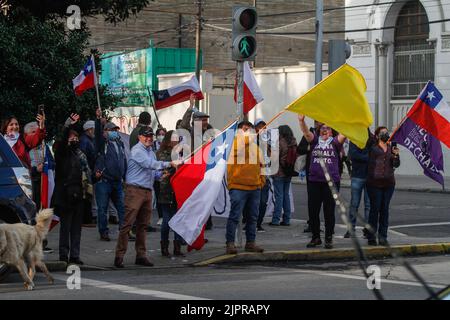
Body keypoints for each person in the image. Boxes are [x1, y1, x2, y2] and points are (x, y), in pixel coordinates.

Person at [114, 127, 179, 268]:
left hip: (146, 191)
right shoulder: (137, 150)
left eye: (150, 136)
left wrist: (161, 175)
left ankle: (141, 255)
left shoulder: (151, 152)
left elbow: (152, 172)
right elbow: (149, 165)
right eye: (146, 136)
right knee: (127, 224)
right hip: (134, 190)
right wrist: (169, 163)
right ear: (140, 137)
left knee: (143, 226)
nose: (149, 138)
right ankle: (119, 256)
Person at [298, 114, 345, 249]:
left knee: (329, 211)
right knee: (313, 211)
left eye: (328, 128)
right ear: (318, 131)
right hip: (314, 181)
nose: (325, 130)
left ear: (332, 132)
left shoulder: (335, 142)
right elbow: (306, 132)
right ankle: (316, 237)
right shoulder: (314, 141)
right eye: (322, 128)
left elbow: (345, 133)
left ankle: (328, 238)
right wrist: (301, 120)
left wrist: (348, 119)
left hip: (331, 183)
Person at [53, 114, 91, 265]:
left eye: (76, 137)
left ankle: (75, 255)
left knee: (76, 228)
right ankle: (64, 255)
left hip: (79, 194)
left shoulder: (80, 154)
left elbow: (87, 171)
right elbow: (63, 141)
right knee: (66, 227)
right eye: (71, 137)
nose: (74, 140)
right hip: (65, 195)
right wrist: (68, 125)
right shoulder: (62, 153)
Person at [225, 120, 265, 255]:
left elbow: (262, 166)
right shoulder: (233, 144)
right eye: (245, 129)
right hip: (238, 186)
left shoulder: (256, 147)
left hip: (254, 187)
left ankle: (250, 242)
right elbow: (239, 148)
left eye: (249, 129)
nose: (248, 132)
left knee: (253, 217)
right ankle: (230, 243)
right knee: (235, 216)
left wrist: (261, 182)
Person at [180, 94, 217, 230]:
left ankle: (206, 222)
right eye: (202, 120)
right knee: (195, 197)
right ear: (195, 121)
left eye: (206, 120)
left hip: (206, 169)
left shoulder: (210, 133)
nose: (205, 122)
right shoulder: (190, 132)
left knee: (206, 196)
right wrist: (190, 108)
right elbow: (183, 125)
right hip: (193, 170)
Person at [94, 117, 127, 241]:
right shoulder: (102, 144)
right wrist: (98, 122)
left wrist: (125, 176)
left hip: (117, 182)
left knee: (122, 207)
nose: (115, 132)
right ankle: (103, 232)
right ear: (105, 131)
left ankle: (124, 231)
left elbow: (123, 160)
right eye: (112, 130)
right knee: (102, 209)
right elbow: (98, 135)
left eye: (115, 129)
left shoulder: (120, 143)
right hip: (104, 181)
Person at [366, 126, 400, 246]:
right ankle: (371, 236)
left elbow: (396, 164)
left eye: (386, 132)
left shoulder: (391, 148)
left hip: (389, 184)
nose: (385, 134)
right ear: (377, 135)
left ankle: (383, 237)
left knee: (384, 210)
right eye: (382, 132)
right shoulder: (372, 148)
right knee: (375, 210)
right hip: (374, 184)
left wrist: (396, 155)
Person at [156, 130, 185, 257]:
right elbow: (165, 167)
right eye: (174, 138)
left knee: (178, 220)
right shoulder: (162, 153)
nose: (176, 140)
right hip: (166, 190)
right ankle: (164, 247)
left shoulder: (179, 153)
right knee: (167, 220)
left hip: (178, 190)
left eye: (177, 138)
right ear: (168, 141)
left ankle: (177, 246)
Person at [346, 130, 373, 238]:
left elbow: (374, 154)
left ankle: (367, 229)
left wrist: (365, 155)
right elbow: (353, 155)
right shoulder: (354, 139)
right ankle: (350, 229)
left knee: (368, 205)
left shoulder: (372, 139)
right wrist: (368, 157)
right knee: (354, 204)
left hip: (369, 176)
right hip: (357, 175)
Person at [297, 120, 322, 233]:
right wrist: (309, 148)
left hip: (326, 172)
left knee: (327, 202)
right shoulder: (309, 133)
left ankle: (326, 228)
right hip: (311, 170)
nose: (319, 124)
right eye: (317, 122)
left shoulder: (329, 133)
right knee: (312, 200)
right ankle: (312, 224)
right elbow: (300, 148)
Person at [270, 125, 297, 226]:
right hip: (289, 171)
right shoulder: (293, 142)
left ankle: (276, 220)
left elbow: (274, 158)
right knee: (286, 195)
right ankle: (286, 219)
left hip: (279, 172)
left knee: (279, 196)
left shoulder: (279, 142)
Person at [79, 120, 96, 226]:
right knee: (86, 195)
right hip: (85, 172)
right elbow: (83, 158)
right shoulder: (85, 141)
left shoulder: (89, 140)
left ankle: (87, 218)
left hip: (89, 171)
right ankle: (86, 220)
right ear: (89, 130)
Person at [254, 119, 270, 232]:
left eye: (264, 127)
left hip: (265, 175)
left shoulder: (268, 141)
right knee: (252, 202)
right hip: (253, 176)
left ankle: (258, 223)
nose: (262, 129)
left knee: (263, 202)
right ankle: (250, 222)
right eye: (260, 127)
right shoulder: (252, 141)